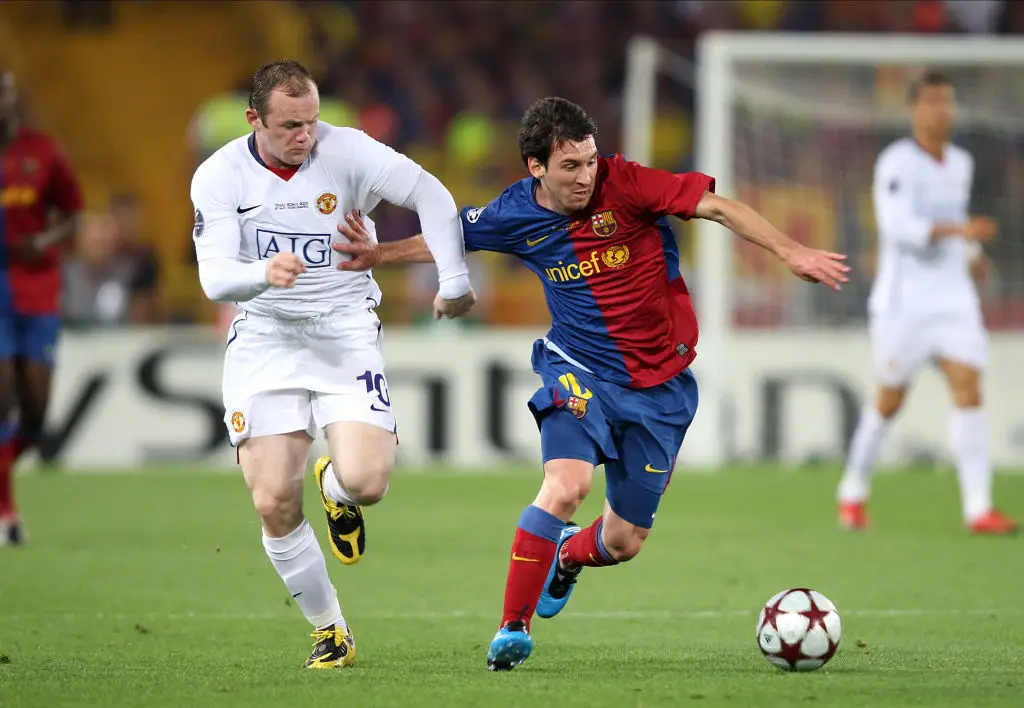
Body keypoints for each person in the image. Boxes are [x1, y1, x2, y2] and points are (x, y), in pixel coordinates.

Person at [332, 96, 849, 670]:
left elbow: (716, 207)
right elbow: (451, 236)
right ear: (536, 168)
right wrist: (378, 253)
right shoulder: (514, 213)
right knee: (566, 485)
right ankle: (512, 628)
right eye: (570, 167)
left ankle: (567, 558)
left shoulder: (627, 184)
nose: (585, 176)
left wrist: (790, 250)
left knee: (623, 541)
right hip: (576, 368)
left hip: (661, 385)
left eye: (590, 162)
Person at [189, 60, 475, 668]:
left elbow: (432, 193)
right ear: (254, 121)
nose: (305, 136)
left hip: (344, 331)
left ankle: (335, 485)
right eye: (291, 125)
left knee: (368, 483)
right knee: (271, 500)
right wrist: (259, 274)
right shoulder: (219, 177)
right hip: (265, 337)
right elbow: (214, 277)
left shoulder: (348, 152)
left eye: (312, 121)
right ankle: (331, 632)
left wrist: (453, 279)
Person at [836, 72, 1017, 535]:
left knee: (969, 389)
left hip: (954, 298)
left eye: (948, 102)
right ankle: (852, 491)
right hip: (904, 303)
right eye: (934, 102)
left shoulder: (960, 161)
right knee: (890, 401)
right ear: (914, 110)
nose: (943, 111)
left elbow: (955, 222)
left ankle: (978, 508)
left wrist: (972, 254)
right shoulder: (896, 162)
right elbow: (899, 228)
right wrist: (963, 234)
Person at [0, 68, 83, 546]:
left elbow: (73, 212)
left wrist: (44, 240)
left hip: (36, 288)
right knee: (2, 394)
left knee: (35, 412)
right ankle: (8, 511)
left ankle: (4, 482)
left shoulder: (42, 152)